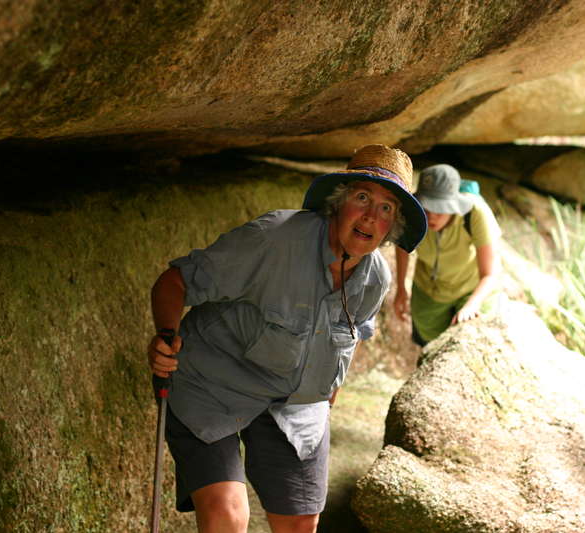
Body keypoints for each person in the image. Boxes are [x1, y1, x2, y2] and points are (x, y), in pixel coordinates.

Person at [147, 144, 426, 533]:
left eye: (386, 208)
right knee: (228, 516)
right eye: (362, 197)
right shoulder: (274, 238)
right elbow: (175, 281)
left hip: (296, 404)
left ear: (392, 226)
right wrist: (165, 336)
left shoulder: (375, 278)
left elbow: (352, 338)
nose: (369, 216)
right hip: (212, 383)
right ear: (337, 203)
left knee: (300, 524)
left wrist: (328, 398)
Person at [394, 164, 501, 346]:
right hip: (428, 289)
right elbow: (403, 247)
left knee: (471, 341)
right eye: (426, 208)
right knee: (428, 342)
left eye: (439, 209)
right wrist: (401, 288)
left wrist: (472, 305)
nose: (431, 216)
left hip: (469, 287)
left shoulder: (475, 214)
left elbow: (490, 273)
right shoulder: (411, 212)